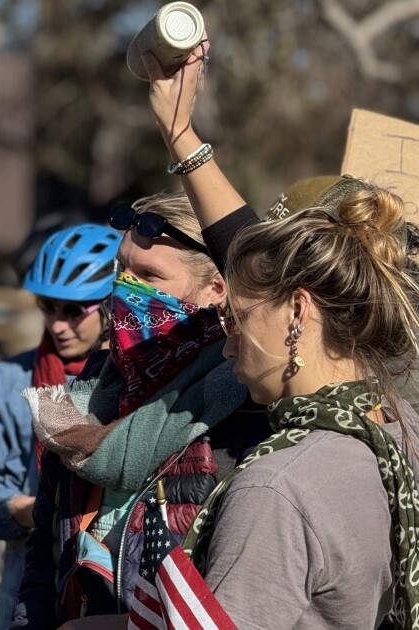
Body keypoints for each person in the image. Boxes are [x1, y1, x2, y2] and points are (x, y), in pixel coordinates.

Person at [141, 37, 419, 628]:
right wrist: (181, 135)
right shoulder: (401, 431)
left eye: (235, 316)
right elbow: (257, 264)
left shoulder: (278, 489)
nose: (226, 337)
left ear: (300, 309)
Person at [12, 192, 269, 628]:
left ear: (216, 290)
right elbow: (44, 552)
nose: (126, 289)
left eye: (150, 275)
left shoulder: (245, 408)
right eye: (122, 270)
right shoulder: (93, 385)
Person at [0, 223, 120, 630]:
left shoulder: (140, 384)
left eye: (74, 311)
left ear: (113, 304)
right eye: (48, 305)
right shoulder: (6, 381)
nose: (58, 324)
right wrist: (17, 509)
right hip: (26, 580)